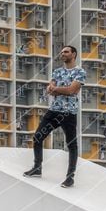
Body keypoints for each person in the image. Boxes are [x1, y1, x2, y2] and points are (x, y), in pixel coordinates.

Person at [23, 45, 86, 188]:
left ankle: (70, 177)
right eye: (62, 51)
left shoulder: (79, 72)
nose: (62, 54)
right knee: (38, 137)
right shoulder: (57, 71)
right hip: (54, 110)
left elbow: (72, 90)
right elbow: (49, 89)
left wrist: (58, 89)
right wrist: (59, 90)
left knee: (71, 145)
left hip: (69, 112)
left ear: (73, 54)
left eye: (66, 52)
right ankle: (37, 167)